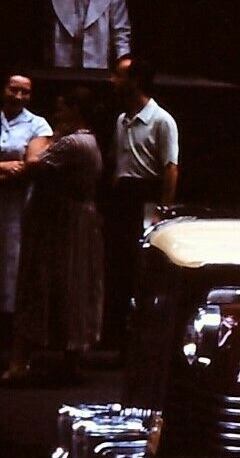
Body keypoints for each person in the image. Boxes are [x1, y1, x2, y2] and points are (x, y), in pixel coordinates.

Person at [3, 87, 103, 384]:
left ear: (75, 110)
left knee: (43, 285)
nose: (56, 115)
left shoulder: (72, 143)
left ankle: (20, 362)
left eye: (61, 109)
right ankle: (69, 359)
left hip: (59, 226)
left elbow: (33, 164)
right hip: (72, 223)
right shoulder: (87, 140)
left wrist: (39, 142)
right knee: (73, 288)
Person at [104, 54, 178, 347]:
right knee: (118, 266)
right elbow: (116, 161)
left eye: (119, 75)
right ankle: (116, 335)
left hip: (145, 196)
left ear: (135, 81)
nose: (113, 81)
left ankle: (139, 338)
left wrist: (163, 208)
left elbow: (170, 167)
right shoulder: (122, 120)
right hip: (122, 196)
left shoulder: (161, 120)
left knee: (140, 267)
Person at [0, 75, 53, 346]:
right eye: (13, 90)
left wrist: (15, 168)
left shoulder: (38, 124)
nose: (18, 97)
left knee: (13, 263)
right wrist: (5, 166)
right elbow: (15, 164)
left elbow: (32, 163)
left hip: (19, 206)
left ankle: (9, 331)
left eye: (25, 92)